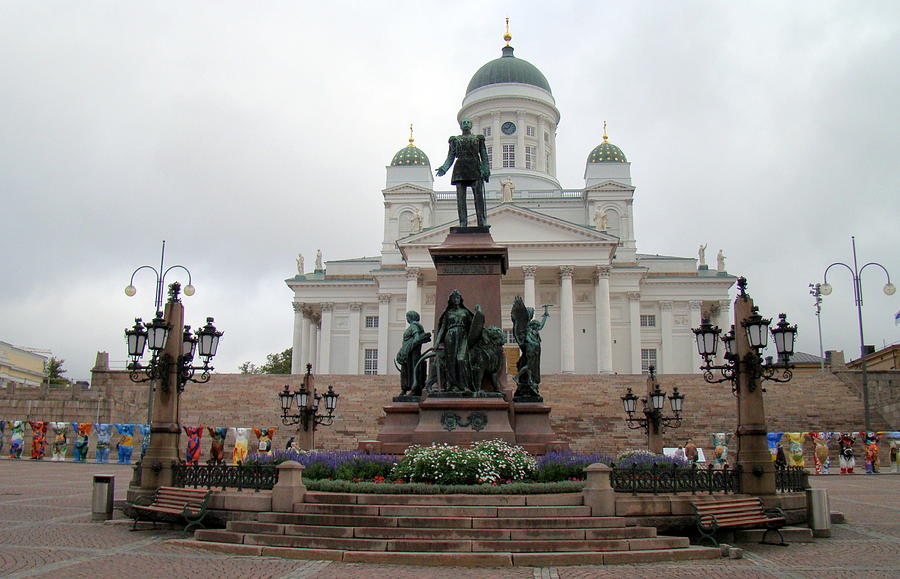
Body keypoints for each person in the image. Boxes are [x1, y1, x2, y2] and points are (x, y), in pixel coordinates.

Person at [436, 119, 491, 227]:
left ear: (471, 125)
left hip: (475, 167)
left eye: (467, 122)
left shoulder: (478, 139)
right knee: (461, 198)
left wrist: (486, 169)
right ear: (460, 126)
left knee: (478, 197)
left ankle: (481, 221)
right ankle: (463, 222)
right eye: (463, 123)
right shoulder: (455, 140)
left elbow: (484, 155)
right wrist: (444, 168)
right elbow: (451, 156)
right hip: (460, 168)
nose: (465, 124)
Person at [432, 290, 475, 392]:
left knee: (461, 359)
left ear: (460, 299)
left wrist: (478, 312)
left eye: (458, 298)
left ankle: (464, 385)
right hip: (450, 336)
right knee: (451, 361)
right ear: (451, 300)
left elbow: (473, 324)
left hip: (463, 336)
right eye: (454, 298)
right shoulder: (448, 313)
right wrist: (437, 342)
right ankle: (452, 385)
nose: (456, 300)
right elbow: (442, 328)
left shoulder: (465, 312)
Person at [395, 311, 431, 396]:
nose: (406, 318)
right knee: (407, 370)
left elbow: (417, 338)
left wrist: (410, 346)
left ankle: (415, 389)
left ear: (410, 317)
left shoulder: (414, 326)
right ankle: (406, 388)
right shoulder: (413, 326)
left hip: (413, 352)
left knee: (413, 369)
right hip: (408, 353)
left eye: (407, 317)